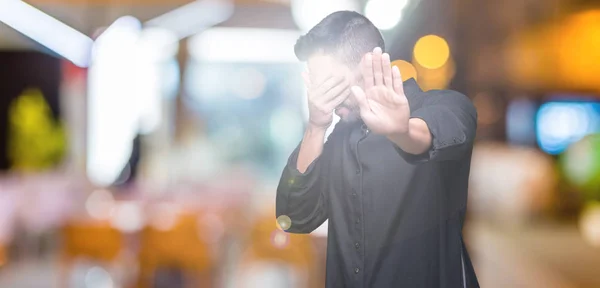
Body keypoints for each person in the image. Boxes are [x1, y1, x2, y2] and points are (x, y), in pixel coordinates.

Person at [275, 11, 479, 288]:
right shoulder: (338, 137)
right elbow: (295, 217)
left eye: (331, 83)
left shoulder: (447, 106)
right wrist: (316, 126)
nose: (322, 96)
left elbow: (430, 135)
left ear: (368, 65)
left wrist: (401, 131)